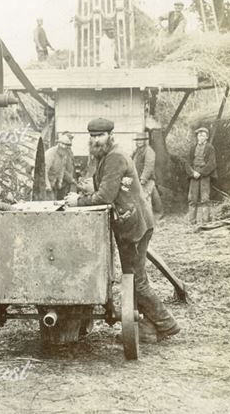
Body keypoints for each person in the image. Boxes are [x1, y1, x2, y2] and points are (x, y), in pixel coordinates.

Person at [65, 118, 179, 343]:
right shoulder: (107, 156)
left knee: (135, 280)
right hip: (129, 222)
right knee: (132, 277)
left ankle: (166, 324)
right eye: (93, 136)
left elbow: (106, 196)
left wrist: (78, 201)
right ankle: (145, 328)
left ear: (110, 135)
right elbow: (111, 187)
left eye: (100, 136)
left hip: (134, 225)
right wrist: (92, 188)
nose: (96, 140)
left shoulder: (115, 157)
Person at [185, 127, 217, 224]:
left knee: (205, 198)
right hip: (194, 175)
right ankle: (192, 221)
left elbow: (212, 163)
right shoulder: (192, 148)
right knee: (192, 198)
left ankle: (205, 221)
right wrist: (192, 172)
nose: (201, 137)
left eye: (203, 135)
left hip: (204, 175)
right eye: (199, 135)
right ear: (197, 137)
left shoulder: (210, 148)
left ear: (207, 137)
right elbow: (187, 162)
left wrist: (201, 173)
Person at [132, 131, 162, 217]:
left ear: (145, 141)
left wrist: (142, 179)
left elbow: (148, 167)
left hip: (146, 179)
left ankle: (149, 218)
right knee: (153, 195)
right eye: (137, 140)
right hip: (138, 178)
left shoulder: (149, 151)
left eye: (141, 140)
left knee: (145, 198)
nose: (139, 142)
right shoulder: (137, 151)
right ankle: (159, 213)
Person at [44, 132, 75, 200]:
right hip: (44, 183)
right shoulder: (50, 153)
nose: (64, 147)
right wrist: (47, 185)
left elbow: (62, 169)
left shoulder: (64, 155)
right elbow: (44, 170)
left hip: (53, 183)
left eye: (66, 146)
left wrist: (59, 182)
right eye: (62, 145)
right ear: (58, 144)